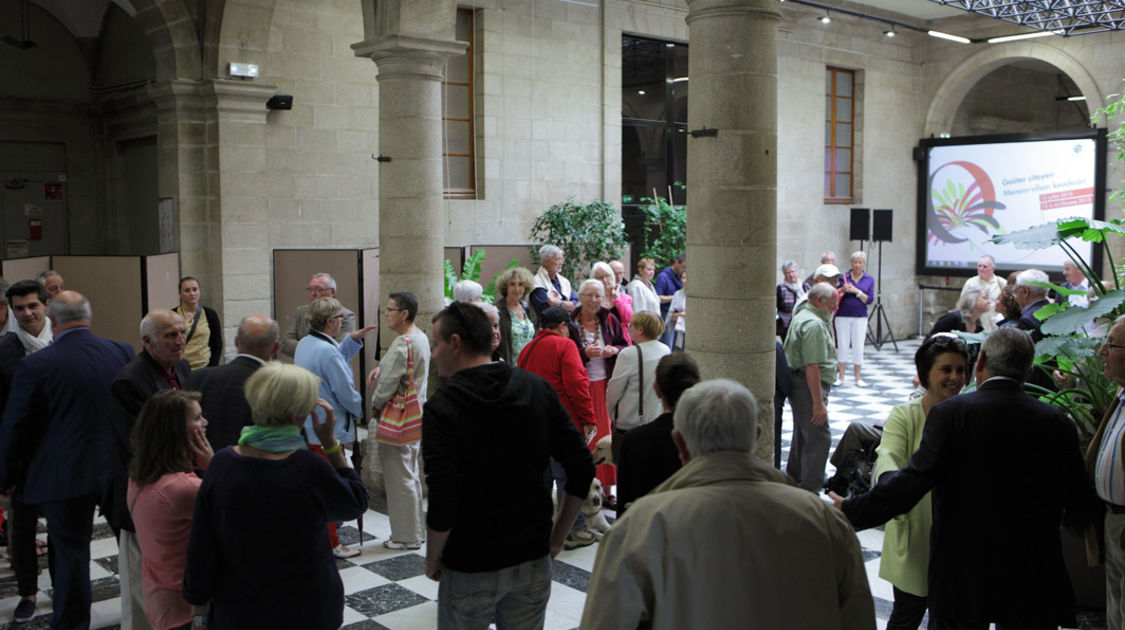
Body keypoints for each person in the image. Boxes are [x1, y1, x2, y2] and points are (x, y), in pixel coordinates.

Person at [836, 328, 1098, 630]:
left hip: (962, 573)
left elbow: (914, 481)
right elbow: (1078, 502)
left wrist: (854, 509)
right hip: (1032, 573)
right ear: (1028, 370)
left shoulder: (952, 414)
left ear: (981, 361)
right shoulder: (1058, 423)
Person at [581, 379, 875, 630]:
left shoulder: (637, 529)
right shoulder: (826, 521)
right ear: (757, 436)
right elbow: (858, 619)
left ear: (679, 443)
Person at [422, 302, 595, 628]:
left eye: (436, 344)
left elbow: (444, 495)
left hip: (470, 562)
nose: (432, 354)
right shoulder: (536, 388)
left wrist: (432, 558)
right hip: (531, 556)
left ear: (456, 343)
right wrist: (558, 537)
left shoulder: (441, 407)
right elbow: (582, 466)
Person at [183, 362, 368, 630]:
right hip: (305, 608)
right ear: (298, 413)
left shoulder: (222, 464)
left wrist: (198, 607)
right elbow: (355, 503)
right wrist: (331, 445)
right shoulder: (307, 467)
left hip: (241, 607)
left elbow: (201, 544)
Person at [0, 291, 133, 630]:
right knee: (133, 548)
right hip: (114, 470)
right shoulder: (121, 352)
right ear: (88, 317)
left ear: (53, 320)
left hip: (64, 475)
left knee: (72, 554)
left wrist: (6, 478)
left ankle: (73, 624)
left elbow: (15, 426)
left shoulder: (36, 365)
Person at [872, 334, 968, 629]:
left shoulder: (969, 413)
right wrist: (892, 490)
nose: (954, 377)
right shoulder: (906, 415)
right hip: (914, 536)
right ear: (926, 373)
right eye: (946, 369)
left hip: (957, 539)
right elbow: (887, 454)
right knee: (907, 614)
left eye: (960, 370)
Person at [111, 309, 191, 630]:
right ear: (148, 341)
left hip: (175, 487)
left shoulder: (182, 367)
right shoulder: (129, 382)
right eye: (170, 335)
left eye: (182, 332)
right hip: (145, 495)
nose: (180, 340)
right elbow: (136, 449)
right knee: (141, 583)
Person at [294, 297, 377, 559]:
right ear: (330, 322)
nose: (342, 321)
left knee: (316, 485)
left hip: (309, 425)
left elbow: (332, 360)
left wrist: (351, 340)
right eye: (340, 318)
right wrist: (360, 409)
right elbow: (344, 389)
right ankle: (331, 543)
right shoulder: (326, 351)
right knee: (329, 486)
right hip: (327, 428)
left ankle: (320, 537)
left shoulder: (306, 343)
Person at [127, 390, 213, 630]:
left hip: (160, 598)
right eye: (197, 418)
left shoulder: (140, 475)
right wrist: (213, 467)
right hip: (188, 606)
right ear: (175, 429)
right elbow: (236, 514)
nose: (205, 423)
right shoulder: (183, 489)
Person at [0, 281, 52, 622]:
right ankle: (28, 593)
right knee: (22, 530)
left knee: (63, 528)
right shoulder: (5, 349)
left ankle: (64, 585)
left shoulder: (63, 341)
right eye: (19, 309)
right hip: (21, 458)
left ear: (46, 304)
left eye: (33, 305)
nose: (27, 313)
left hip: (61, 452)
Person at [368, 291, 429, 551]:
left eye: (390, 310)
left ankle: (406, 537)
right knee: (409, 473)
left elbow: (386, 386)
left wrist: (374, 407)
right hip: (415, 414)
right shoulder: (420, 337)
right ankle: (415, 531)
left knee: (399, 477)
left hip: (398, 416)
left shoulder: (402, 343)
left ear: (404, 314)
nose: (386, 314)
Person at [614, 351, 700, 517]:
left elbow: (624, 508)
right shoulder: (706, 437)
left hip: (646, 534)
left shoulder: (634, 440)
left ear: (656, 390)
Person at [186, 314, 280, 451]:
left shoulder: (197, 378)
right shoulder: (277, 387)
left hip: (202, 468)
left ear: (236, 342)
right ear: (276, 347)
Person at [572, 279, 628, 506]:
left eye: (598, 296)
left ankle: (607, 490)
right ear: (580, 296)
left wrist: (615, 350)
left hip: (605, 384)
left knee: (605, 437)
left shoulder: (609, 319)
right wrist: (585, 353)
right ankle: (584, 486)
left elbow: (625, 344)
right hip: (581, 386)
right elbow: (567, 351)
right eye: (589, 295)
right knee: (584, 435)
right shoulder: (570, 322)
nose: (594, 300)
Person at [783, 282, 838, 492]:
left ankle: (794, 478)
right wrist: (818, 403)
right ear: (819, 301)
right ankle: (810, 488)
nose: (835, 307)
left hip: (801, 383)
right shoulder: (813, 324)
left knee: (803, 434)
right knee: (819, 436)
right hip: (807, 385)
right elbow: (812, 366)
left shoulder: (804, 312)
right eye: (833, 302)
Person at [1089, 315, 1125, 630]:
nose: (1102, 351)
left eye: (1111, 345)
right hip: (1113, 519)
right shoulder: (1120, 397)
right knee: (1115, 604)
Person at [605, 311, 670, 465]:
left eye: (631, 325)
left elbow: (614, 391)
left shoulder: (628, 354)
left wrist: (611, 414)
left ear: (640, 330)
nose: (629, 328)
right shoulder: (665, 349)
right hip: (655, 418)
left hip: (630, 422)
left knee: (628, 472)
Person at [280, 273, 357, 357]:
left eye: (318, 290)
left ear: (332, 292)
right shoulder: (301, 312)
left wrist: (304, 347)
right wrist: (316, 349)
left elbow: (339, 349)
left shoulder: (345, 316)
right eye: (310, 289)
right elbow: (285, 344)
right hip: (304, 367)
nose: (312, 294)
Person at [835, 250, 874, 387]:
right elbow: (834, 293)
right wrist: (842, 289)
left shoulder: (869, 280)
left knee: (858, 345)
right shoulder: (843, 277)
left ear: (863, 264)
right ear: (851, 263)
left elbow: (869, 300)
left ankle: (858, 377)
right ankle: (841, 376)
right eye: (855, 262)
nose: (857, 265)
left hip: (860, 316)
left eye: (860, 262)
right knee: (843, 345)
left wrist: (856, 291)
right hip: (842, 315)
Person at [171, 276, 223, 370]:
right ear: (180, 294)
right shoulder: (172, 315)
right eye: (187, 290)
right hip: (180, 369)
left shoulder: (210, 314)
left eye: (195, 289)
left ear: (199, 291)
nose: (192, 293)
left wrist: (212, 368)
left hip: (204, 367)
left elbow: (217, 344)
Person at [495, 266, 537, 363]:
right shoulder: (498, 310)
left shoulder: (527, 309)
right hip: (509, 367)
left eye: (521, 284)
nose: (517, 288)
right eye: (512, 284)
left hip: (529, 365)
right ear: (506, 287)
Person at [958, 255, 1004, 330]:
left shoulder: (1001, 283)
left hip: (995, 327)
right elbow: (962, 305)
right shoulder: (970, 283)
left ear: (993, 269)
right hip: (975, 326)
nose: (981, 269)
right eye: (979, 266)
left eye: (985, 266)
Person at [529, 245, 577, 318]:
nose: (561, 263)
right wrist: (568, 306)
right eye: (558, 259)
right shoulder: (537, 283)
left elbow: (576, 303)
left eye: (562, 259)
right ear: (546, 262)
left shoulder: (564, 281)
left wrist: (560, 304)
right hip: (549, 325)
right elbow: (547, 310)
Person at [591, 261, 633, 340]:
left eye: (607, 276)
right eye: (600, 278)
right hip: (600, 339)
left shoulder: (623, 297)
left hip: (621, 341)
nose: (604, 280)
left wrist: (617, 298)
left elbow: (628, 318)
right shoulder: (592, 299)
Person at [1014, 268, 1051, 341]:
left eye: (1015, 291)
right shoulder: (1058, 312)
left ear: (1025, 291)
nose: (1015, 297)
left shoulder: (1027, 320)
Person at [776, 259, 805, 339]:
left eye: (793, 272)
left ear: (797, 272)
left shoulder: (805, 287)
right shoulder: (780, 289)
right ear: (784, 274)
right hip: (787, 327)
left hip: (803, 324)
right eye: (788, 273)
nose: (791, 275)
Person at [653, 252, 685, 317]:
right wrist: (676, 297)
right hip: (665, 314)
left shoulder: (681, 276)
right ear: (676, 262)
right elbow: (658, 298)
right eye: (683, 267)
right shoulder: (663, 277)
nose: (684, 270)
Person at [661, 270, 685, 349]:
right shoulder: (678, 294)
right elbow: (672, 316)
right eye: (683, 278)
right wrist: (681, 314)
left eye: (686, 278)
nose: (684, 280)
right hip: (678, 329)